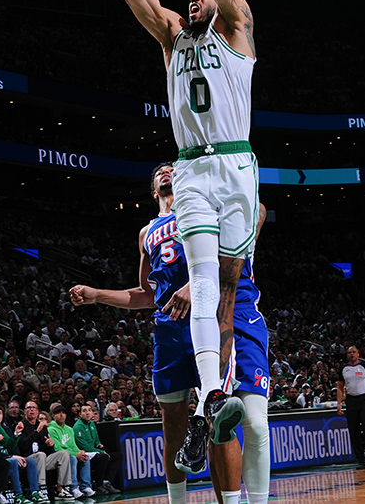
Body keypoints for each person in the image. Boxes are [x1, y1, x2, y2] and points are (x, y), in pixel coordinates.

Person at [115, 0, 258, 466]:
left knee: (226, 290)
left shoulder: (238, 26)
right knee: (201, 285)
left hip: (239, 169)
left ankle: (212, 397)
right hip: (193, 172)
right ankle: (211, 399)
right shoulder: (172, 36)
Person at [69, 165, 271, 504]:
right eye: (160, 172)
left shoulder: (209, 206)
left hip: (220, 312)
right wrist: (97, 294)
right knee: (173, 424)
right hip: (172, 327)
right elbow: (149, 294)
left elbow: (248, 228)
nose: (167, 171)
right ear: (153, 190)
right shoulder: (146, 232)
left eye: (173, 169)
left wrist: (197, 284)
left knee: (221, 413)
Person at [15, 401, 71, 502]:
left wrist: (50, 445)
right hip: (28, 460)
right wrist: (37, 431)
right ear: (25, 411)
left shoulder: (42, 426)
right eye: (29, 408)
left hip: (43, 460)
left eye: (34, 408)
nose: (31, 410)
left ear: (37, 411)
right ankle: (40, 489)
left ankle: (60, 489)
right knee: (40, 455)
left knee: (63, 454)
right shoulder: (21, 425)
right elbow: (23, 446)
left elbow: (47, 450)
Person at [336, 347, 365, 468]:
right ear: (347, 355)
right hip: (350, 400)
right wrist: (339, 403)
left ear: (358, 354)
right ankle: (361, 460)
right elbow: (340, 387)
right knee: (353, 431)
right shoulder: (344, 369)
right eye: (349, 352)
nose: (352, 354)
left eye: (354, 352)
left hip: (364, 398)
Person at [71, 405, 120, 495]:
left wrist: (99, 444)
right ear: (80, 414)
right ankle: (98, 485)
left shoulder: (92, 423)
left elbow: (96, 438)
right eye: (84, 411)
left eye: (89, 410)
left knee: (117, 456)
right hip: (85, 454)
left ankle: (107, 481)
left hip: (95, 451)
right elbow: (84, 446)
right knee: (103, 457)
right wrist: (101, 452)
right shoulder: (78, 427)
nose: (87, 413)